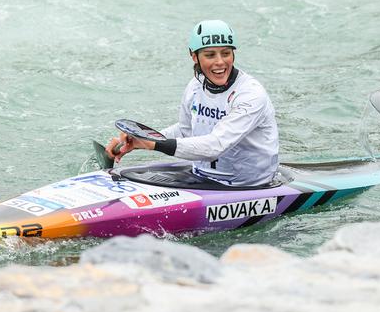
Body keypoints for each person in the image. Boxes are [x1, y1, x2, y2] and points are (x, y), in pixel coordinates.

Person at [106, 19, 279, 187]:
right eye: (210, 55)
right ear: (194, 56)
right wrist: (140, 139)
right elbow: (185, 130)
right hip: (202, 176)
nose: (220, 61)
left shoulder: (250, 94)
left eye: (226, 53)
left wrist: (153, 144)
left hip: (247, 185)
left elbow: (216, 146)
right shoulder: (195, 86)